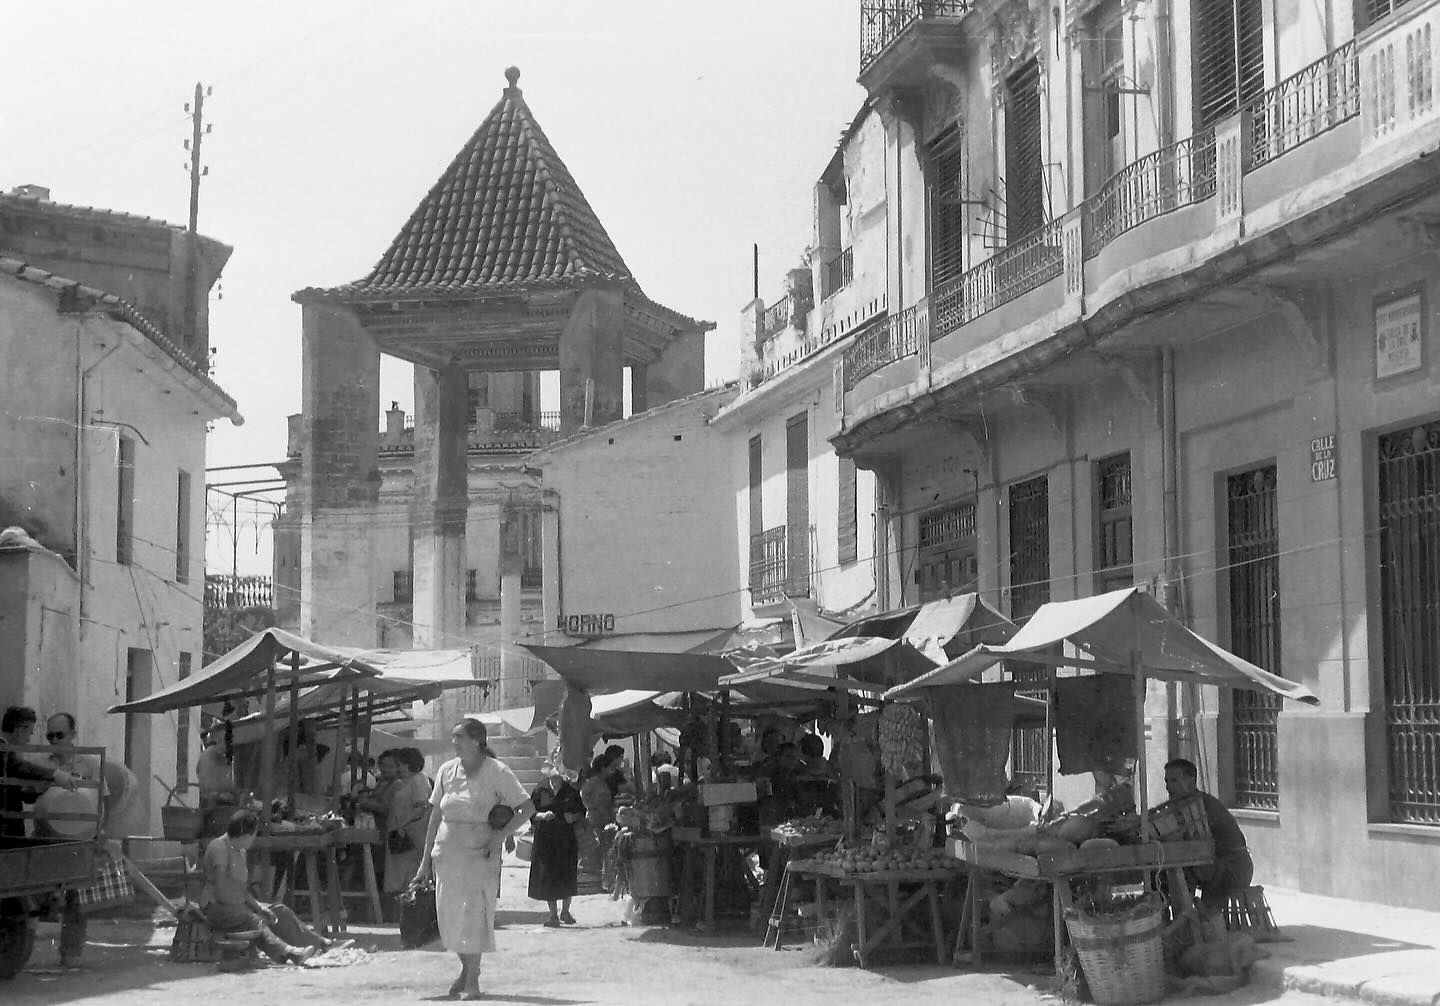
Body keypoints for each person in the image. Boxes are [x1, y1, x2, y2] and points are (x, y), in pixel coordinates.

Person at [413, 719, 533, 1001]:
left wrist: (499, 837)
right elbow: (435, 817)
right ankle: (466, 971)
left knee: (475, 914)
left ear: (476, 740)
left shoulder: (497, 771)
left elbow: (526, 808)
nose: (454, 742)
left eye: (459, 737)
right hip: (448, 850)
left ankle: (472, 979)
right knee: (450, 916)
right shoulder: (445, 771)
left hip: (481, 851)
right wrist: (425, 860)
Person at [200, 809, 327, 965]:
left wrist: (258, 907)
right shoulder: (218, 848)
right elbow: (221, 889)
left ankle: (317, 944)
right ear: (246, 836)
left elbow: (240, 889)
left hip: (237, 904)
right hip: (215, 907)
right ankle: (288, 953)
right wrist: (249, 910)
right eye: (253, 836)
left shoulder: (240, 851)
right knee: (253, 919)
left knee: (279, 911)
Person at [1162, 758, 1254, 906]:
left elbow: (1196, 845)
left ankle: (1201, 918)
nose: (1168, 787)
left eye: (1174, 781)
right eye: (1167, 781)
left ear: (1191, 781)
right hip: (1216, 866)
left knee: (1184, 873)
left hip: (1235, 867)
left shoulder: (1202, 806)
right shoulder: (1185, 805)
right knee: (1166, 876)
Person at [1, 706, 76, 840]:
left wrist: (36, 790)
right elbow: (19, 766)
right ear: (20, 729)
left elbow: (9, 790)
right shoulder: (4, 752)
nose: (29, 740)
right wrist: (55, 774)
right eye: (29, 733)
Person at [527, 772, 584, 927]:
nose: (555, 781)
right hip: (545, 840)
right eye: (552, 778)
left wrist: (573, 817)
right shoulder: (540, 789)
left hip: (566, 840)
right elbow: (530, 813)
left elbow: (581, 812)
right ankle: (553, 915)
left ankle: (565, 911)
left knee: (567, 875)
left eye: (558, 778)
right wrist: (542, 815)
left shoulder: (570, 791)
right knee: (547, 877)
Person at [383, 748, 431, 899]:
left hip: (413, 837)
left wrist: (402, 824)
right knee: (398, 873)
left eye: (400, 765)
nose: (397, 769)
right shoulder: (404, 782)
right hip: (401, 835)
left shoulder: (419, 779)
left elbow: (421, 807)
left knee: (409, 874)